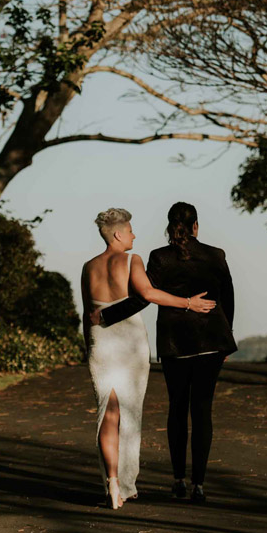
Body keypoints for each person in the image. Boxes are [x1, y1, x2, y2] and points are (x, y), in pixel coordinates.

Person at [94, 202, 237, 503]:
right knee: (202, 411)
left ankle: (178, 480)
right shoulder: (216, 256)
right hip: (212, 342)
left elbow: (143, 297)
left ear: (170, 227)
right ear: (196, 226)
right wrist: (227, 337)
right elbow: (228, 299)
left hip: (176, 345)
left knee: (177, 408)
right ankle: (199, 484)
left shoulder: (160, 258)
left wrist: (106, 315)